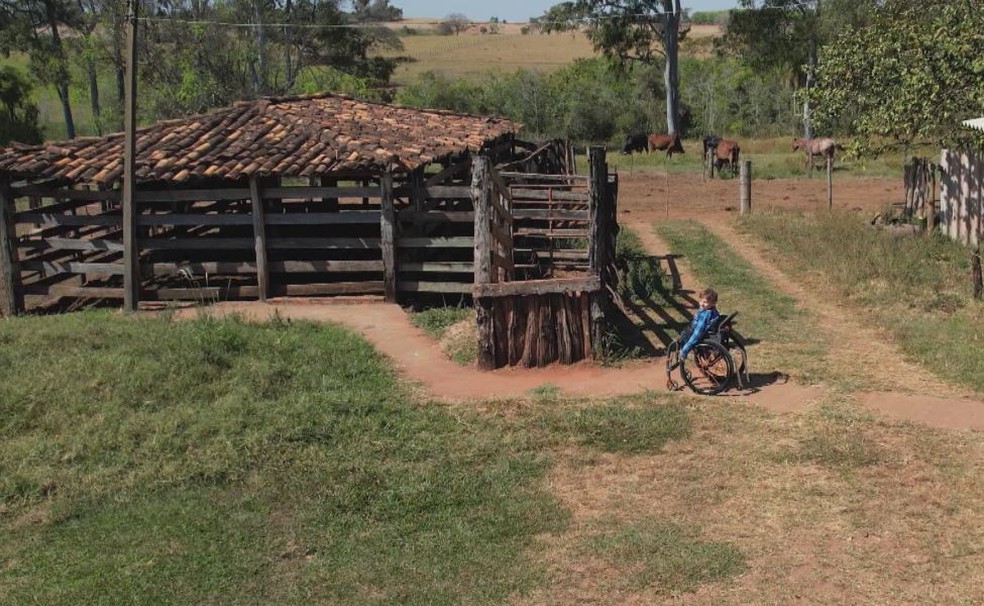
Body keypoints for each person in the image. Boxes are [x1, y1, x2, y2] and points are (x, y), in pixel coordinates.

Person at [679, 287, 720, 360]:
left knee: (683, 336)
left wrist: (685, 350)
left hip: (696, 333)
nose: (701, 304)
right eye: (700, 300)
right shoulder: (713, 311)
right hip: (706, 331)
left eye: (705, 302)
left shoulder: (705, 316)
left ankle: (682, 356)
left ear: (713, 303)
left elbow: (697, 334)